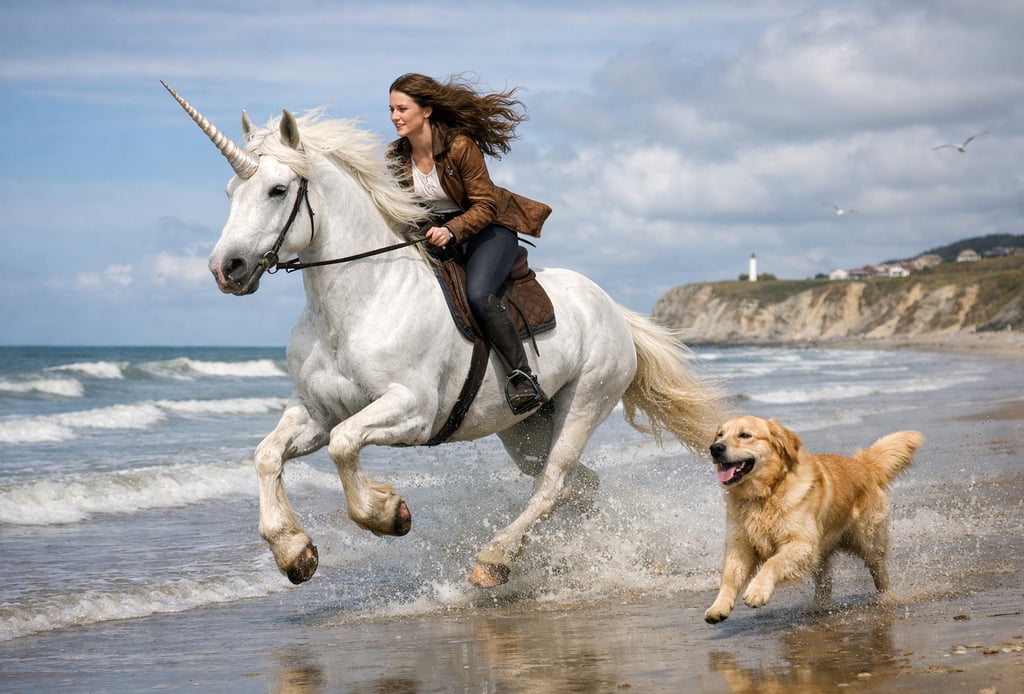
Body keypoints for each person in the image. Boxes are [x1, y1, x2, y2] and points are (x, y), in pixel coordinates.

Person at [386, 73, 552, 415]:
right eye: (391, 110)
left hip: (487, 231)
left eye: (402, 109)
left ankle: (522, 376)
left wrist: (452, 229)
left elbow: (486, 204)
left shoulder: (460, 146)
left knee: (479, 296)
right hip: (437, 236)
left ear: (427, 110)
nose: (395, 117)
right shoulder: (396, 155)